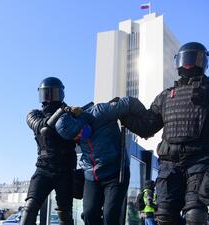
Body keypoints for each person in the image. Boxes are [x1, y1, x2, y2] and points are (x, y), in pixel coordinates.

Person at [121, 42, 209, 225]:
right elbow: (147, 125)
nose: (188, 63)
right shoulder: (165, 96)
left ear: (203, 62)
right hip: (169, 164)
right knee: (164, 217)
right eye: (185, 59)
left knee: (195, 216)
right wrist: (123, 115)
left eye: (193, 58)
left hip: (200, 160)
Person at [55, 96, 146, 225]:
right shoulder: (72, 132)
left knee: (110, 216)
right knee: (89, 214)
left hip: (116, 173)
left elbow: (129, 103)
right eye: (76, 137)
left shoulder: (100, 112)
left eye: (79, 132)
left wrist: (145, 124)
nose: (80, 136)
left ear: (79, 121)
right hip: (92, 176)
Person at [21, 77, 77, 225]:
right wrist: (61, 112)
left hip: (65, 171)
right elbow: (41, 127)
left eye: (54, 94)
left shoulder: (70, 116)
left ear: (61, 94)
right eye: (46, 94)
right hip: (44, 168)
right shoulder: (34, 114)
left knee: (65, 215)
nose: (50, 98)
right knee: (30, 207)